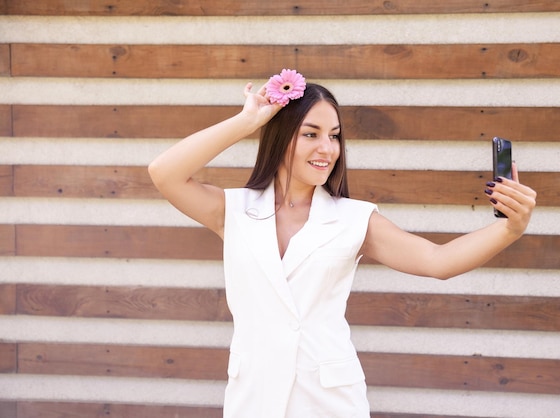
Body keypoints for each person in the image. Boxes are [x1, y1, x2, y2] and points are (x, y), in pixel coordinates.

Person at [148, 70, 536, 418]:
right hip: (253, 397)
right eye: (311, 134)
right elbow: (164, 172)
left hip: (329, 402)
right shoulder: (234, 210)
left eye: (334, 136)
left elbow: (438, 261)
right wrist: (247, 120)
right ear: (281, 135)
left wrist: (509, 230)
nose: (327, 149)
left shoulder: (355, 218)